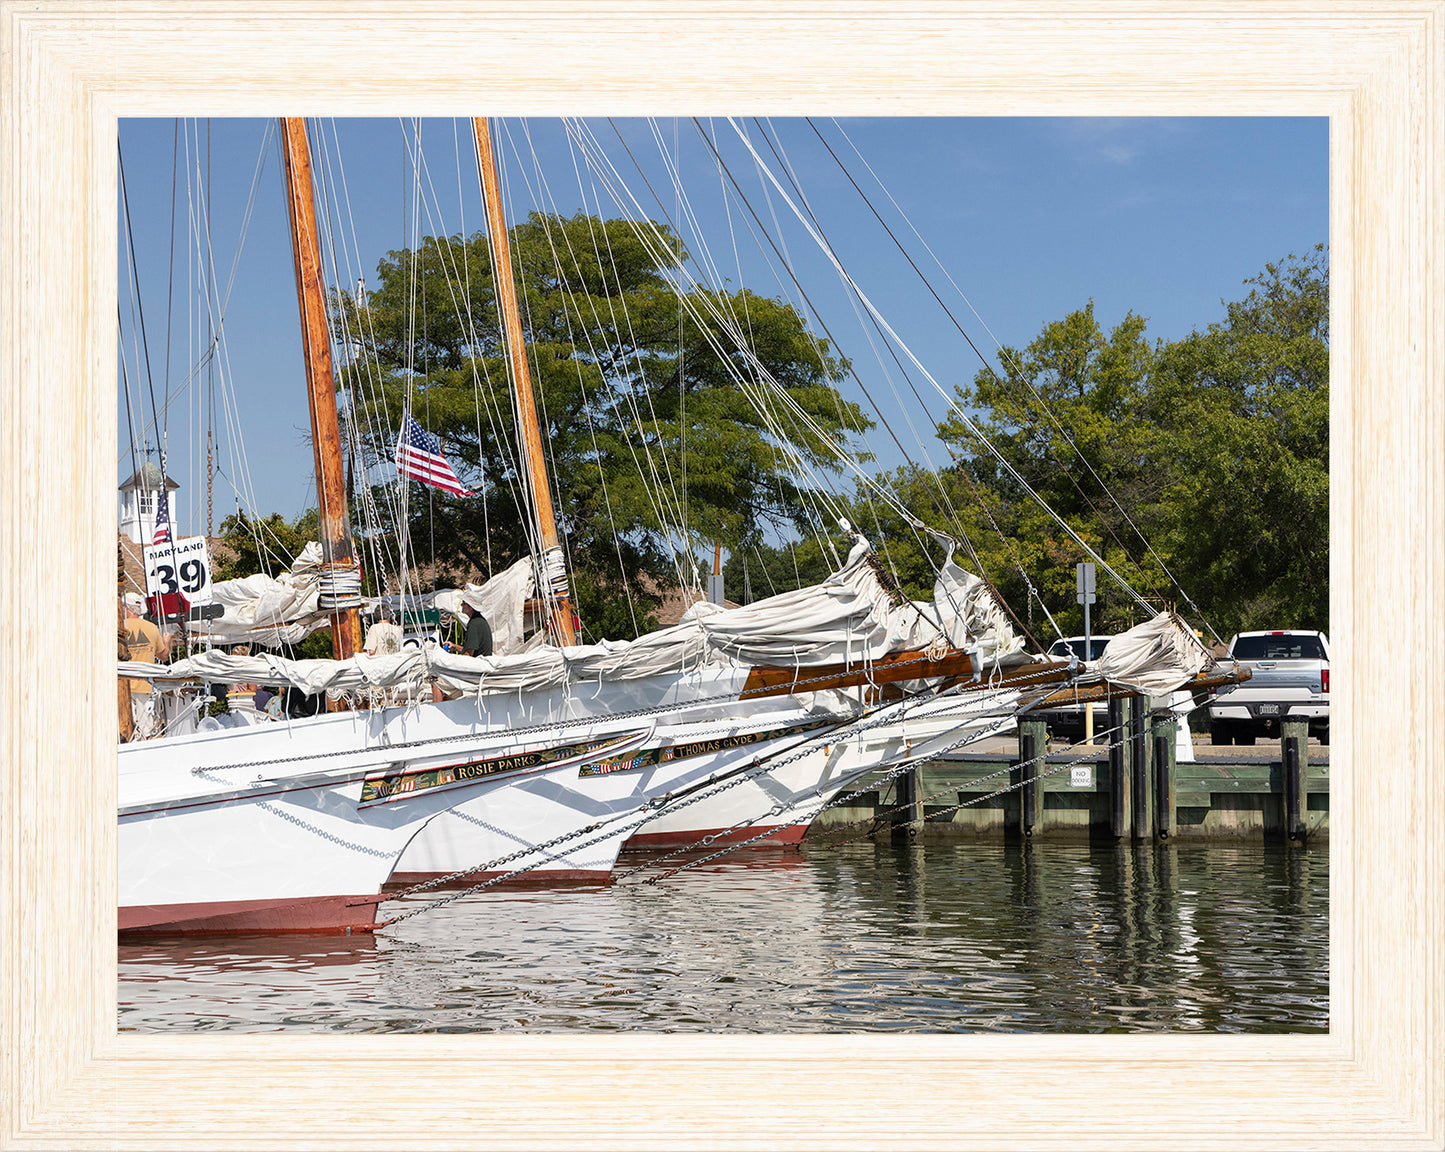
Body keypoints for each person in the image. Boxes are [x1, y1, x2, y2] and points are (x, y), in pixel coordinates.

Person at [121, 593, 171, 740]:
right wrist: (166, 641)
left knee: (125, 730)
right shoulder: (152, 628)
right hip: (146, 685)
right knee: (148, 730)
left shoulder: (118, 627)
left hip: (124, 686)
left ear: (126, 608)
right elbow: (163, 656)